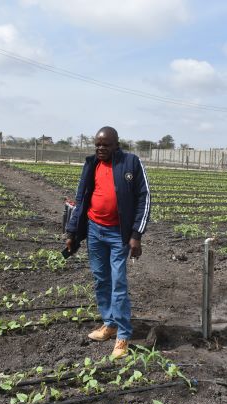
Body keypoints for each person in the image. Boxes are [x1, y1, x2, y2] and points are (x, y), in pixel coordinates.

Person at [65, 126, 151, 359]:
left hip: (118, 234)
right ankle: (109, 323)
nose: (101, 148)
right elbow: (81, 198)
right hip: (94, 230)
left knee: (118, 282)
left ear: (116, 144)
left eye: (106, 145)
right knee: (101, 279)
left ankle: (123, 334)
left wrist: (136, 235)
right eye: (98, 145)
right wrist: (72, 232)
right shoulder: (91, 164)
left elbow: (145, 198)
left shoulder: (130, 163)